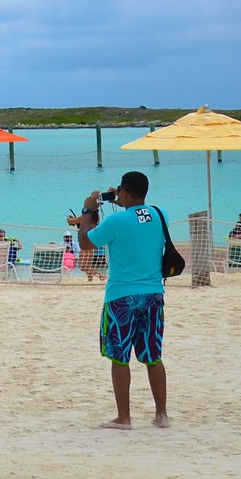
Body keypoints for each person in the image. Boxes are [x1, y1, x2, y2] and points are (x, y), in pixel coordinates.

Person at [75, 172, 170, 429]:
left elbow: (85, 243)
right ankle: (161, 415)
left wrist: (87, 210)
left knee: (120, 356)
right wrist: (125, 202)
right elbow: (140, 219)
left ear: (124, 191)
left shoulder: (116, 221)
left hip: (121, 296)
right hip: (153, 293)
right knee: (153, 356)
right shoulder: (160, 215)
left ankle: (124, 418)